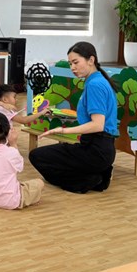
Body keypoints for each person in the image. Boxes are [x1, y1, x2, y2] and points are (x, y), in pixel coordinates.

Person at [29, 41, 118, 194]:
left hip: (96, 150)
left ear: (91, 60)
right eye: (70, 64)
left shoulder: (95, 85)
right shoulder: (97, 81)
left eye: (76, 62)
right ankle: (99, 175)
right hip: (99, 148)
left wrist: (63, 131)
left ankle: (88, 180)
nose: (72, 68)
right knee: (53, 156)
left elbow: (98, 125)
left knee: (37, 156)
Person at [0, 112, 44, 209]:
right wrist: (14, 143)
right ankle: (30, 198)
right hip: (10, 201)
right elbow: (20, 167)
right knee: (40, 183)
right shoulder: (11, 152)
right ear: (7, 130)